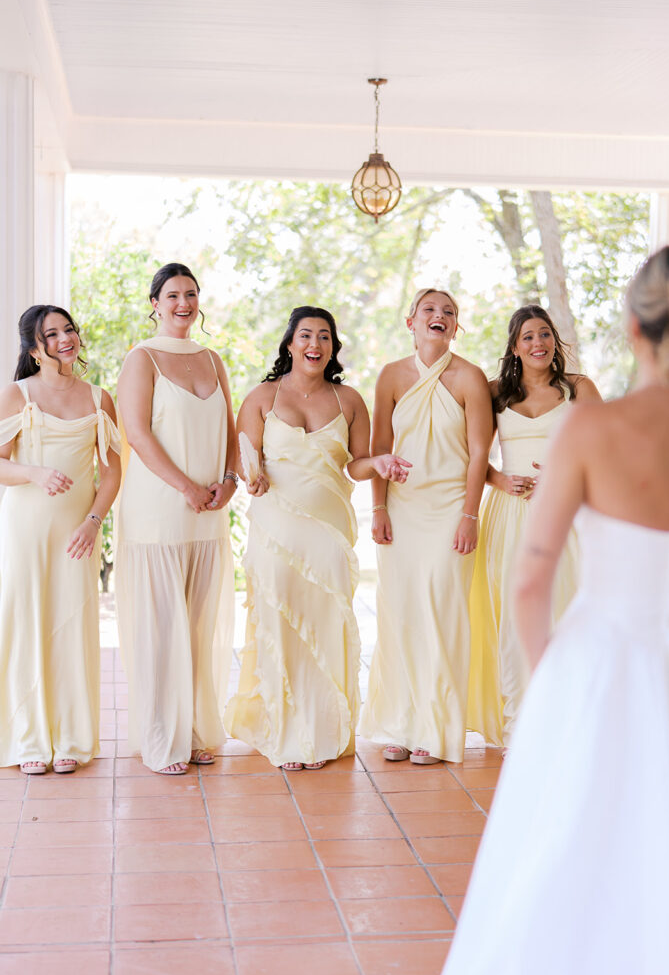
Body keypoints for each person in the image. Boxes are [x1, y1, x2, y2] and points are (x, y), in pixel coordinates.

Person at [426, 245, 669, 975]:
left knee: (568, 855)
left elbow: (530, 577)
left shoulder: (593, 427)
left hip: (602, 657)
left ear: (632, 325)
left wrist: (555, 681)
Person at [225, 306, 410, 770]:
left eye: (324, 336)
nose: (315, 344)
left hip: (328, 531)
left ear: (333, 347)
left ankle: (324, 730)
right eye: (306, 335)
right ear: (290, 343)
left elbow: (356, 464)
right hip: (275, 530)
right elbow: (247, 459)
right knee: (280, 627)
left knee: (325, 626)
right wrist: (253, 476)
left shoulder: (348, 400)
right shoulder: (261, 397)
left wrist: (381, 465)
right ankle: (286, 734)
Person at [358, 288, 493, 764]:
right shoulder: (392, 375)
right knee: (400, 613)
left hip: (451, 508)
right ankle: (399, 722)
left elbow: (480, 452)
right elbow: (379, 443)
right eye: (430, 310)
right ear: (411, 320)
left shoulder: (470, 377)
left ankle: (435, 730)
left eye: (449, 312)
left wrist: (470, 515)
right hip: (402, 509)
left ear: (456, 326)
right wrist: (378, 508)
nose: (440, 316)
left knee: (441, 612)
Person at [116, 263, 236, 775]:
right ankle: (162, 738)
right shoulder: (140, 359)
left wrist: (229, 481)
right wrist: (186, 486)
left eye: (190, 294)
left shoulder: (213, 359)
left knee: (198, 623)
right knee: (162, 627)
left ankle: (193, 729)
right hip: (160, 510)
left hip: (208, 513)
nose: (183, 303)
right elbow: (137, 435)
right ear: (155, 303)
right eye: (172, 295)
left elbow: (231, 430)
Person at [467, 305, 601, 747]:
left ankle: (570, 718)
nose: (538, 343)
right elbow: (472, 458)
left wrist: (566, 477)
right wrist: (501, 478)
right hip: (509, 513)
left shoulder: (578, 389)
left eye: (544, 334)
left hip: (565, 515)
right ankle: (521, 723)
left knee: (566, 609)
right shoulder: (492, 392)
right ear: (514, 346)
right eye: (528, 337)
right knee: (513, 613)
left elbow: (606, 452)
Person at [0, 305, 121, 774]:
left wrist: (93, 522)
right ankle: (29, 740)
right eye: (51, 334)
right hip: (27, 527)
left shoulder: (98, 399)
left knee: (73, 624)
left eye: (68, 329)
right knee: (27, 621)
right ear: (34, 347)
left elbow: (111, 475)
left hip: (78, 533)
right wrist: (33, 472)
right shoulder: (16, 395)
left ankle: (71, 736)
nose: (65, 338)